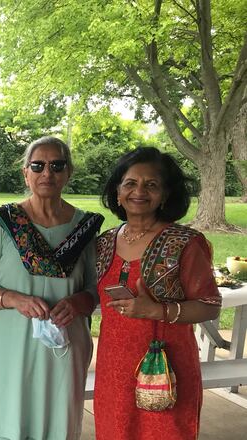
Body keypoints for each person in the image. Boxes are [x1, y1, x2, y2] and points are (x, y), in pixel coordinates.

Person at [0, 136, 103, 439]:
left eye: (57, 165)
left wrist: (81, 301)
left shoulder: (85, 229)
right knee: (2, 419)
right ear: (25, 173)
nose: (47, 173)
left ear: (69, 172)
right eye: (37, 165)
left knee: (56, 422)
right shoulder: (5, 224)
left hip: (61, 349)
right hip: (7, 346)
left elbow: (96, 287)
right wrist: (13, 298)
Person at [94, 147, 221, 439]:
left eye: (151, 185)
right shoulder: (104, 243)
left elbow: (210, 305)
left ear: (165, 195)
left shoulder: (185, 243)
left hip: (166, 366)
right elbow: (95, 296)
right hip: (114, 367)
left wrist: (157, 311)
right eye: (130, 183)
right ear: (117, 191)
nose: (139, 191)